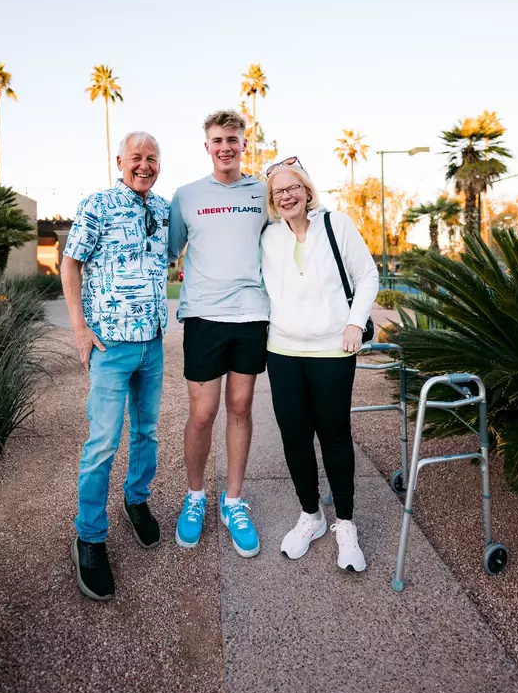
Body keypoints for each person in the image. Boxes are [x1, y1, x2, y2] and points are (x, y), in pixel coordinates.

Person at [61, 131, 170, 601]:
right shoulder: (97, 205)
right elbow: (70, 265)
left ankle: (137, 500)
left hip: (153, 343)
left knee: (146, 431)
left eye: (152, 159)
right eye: (137, 158)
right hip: (110, 348)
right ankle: (90, 536)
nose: (144, 165)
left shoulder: (164, 210)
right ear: (120, 160)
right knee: (103, 442)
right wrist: (80, 330)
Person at [261, 157, 378, 571]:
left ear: (307, 190)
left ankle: (345, 524)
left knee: (334, 436)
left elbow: (367, 275)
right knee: (294, 438)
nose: (287, 195)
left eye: (293, 187)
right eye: (278, 191)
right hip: (283, 351)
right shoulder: (269, 237)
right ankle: (311, 516)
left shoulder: (336, 224)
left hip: (332, 349)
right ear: (272, 200)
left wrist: (353, 323)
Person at [168, 109, 268, 557]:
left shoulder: (264, 193)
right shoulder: (186, 196)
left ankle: (233, 501)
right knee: (204, 413)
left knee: (241, 407)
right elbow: (166, 252)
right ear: (206, 146)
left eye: (233, 139)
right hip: (205, 317)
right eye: (217, 140)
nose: (225, 146)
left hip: (251, 314)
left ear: (244, 144)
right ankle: (195, 498)